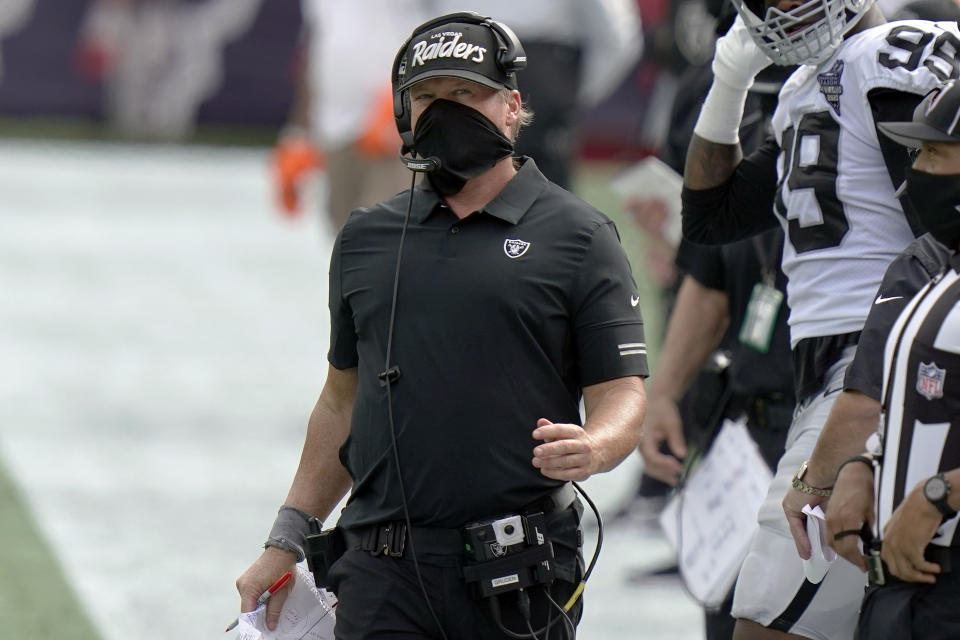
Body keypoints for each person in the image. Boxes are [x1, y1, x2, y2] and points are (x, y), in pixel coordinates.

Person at [235, 11, 649, 640]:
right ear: (403, 114)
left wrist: (596, 446)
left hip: (522, 569)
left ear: (511, 107)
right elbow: (343, 401)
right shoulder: (366, 238)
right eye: (427, 97)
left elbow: (623, 394)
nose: (444, 111)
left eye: (465, 94)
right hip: (381, 569)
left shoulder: (581, 237)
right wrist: (288, 537)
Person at [681, 1, 960, 638]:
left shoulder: (890, 54)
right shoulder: (809, 84)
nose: (780, 9)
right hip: (844, 369)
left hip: (882, 363)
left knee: (769, 623)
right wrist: (729, 79)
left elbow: (944, 222)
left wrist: (890, 362)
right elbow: (710, 216)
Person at [825, 79, 960, 638]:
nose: (916, 174)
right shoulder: (939, 270)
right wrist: (865, 465)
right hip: (907, 590)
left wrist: (937, 497)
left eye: (934, 153)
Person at [272, 1, 426, 228]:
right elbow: (316, 43)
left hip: (392, 124)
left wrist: (407, 100)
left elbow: (442, 30)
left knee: (387, 234)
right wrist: (298, 133)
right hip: (334, 126)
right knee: (345, 235)